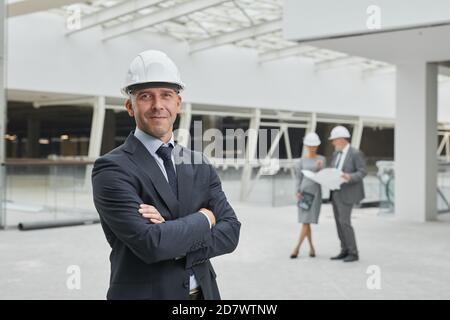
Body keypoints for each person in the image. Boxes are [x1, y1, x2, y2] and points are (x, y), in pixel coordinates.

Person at [92, 50, 241, 300]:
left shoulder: (198, 162)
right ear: (130, 106)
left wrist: (170, 234)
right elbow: (152, 245)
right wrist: (205, 218)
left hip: (204, 295)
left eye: (166, 95)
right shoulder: (111, 169)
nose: (158, 105)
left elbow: (231, 232)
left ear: (178, 104)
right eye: (146, 96)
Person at [328, 126, 366, 263]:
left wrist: (349, 176)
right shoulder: (335, 154)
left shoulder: (355, 153)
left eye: (334, 140)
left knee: (345, 222)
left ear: (341, 139)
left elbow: (362, 172)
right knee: (339, 223)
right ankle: (344, 250)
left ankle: (353, 252)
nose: (332, 143)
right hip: (336, 192)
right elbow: (334, 171)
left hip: (347, 193)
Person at [290, 132, 326, 259]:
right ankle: (298, 249)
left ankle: (310, 248)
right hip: (304, 193)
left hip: (316, 193)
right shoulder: (300, 161)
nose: (312, 148)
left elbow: (323, 178)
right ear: (306, 146)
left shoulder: (321, 159)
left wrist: (320, 169)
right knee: (305, 222)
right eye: (310, 145)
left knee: (307, 222)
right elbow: (298, 178)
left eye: (314, 146)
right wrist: (297, 191)